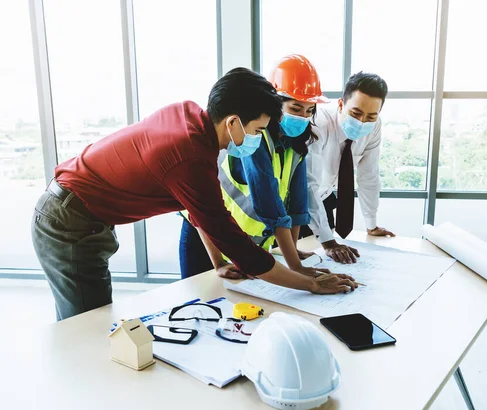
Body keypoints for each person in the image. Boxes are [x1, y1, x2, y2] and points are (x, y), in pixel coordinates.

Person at [32, 68, 357, 321]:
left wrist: (217, 264)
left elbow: (200, 210)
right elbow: (229, 236)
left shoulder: (189, 118)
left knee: (88, 317)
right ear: (232, 121)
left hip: (74, 211)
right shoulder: (188, 156)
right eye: (257, 130)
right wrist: (311, 284)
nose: (257, 137)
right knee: (88, 323)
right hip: (70, 221)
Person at [179, 55, 332, 280]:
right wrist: (296, 267)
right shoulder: (253, 140)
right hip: (207, 239)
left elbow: (297, 206)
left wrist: (294, 255)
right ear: (274, 104)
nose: (303, 117)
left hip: (244, 243)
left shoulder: (296, 143)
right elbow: (268, 204)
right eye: (296, 108)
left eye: (309, 111)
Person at [306, 72, 395, 264]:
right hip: (299, 202)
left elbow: (368, 176)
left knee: (330, 262)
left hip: (324, 199)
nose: (362, 122)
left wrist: (371, 224)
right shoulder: (319, 122)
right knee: (301, 261)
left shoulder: (374, 126)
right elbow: (308, 184)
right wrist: (328, 243)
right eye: (356, 113)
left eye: (371, 116)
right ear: (340, 104)